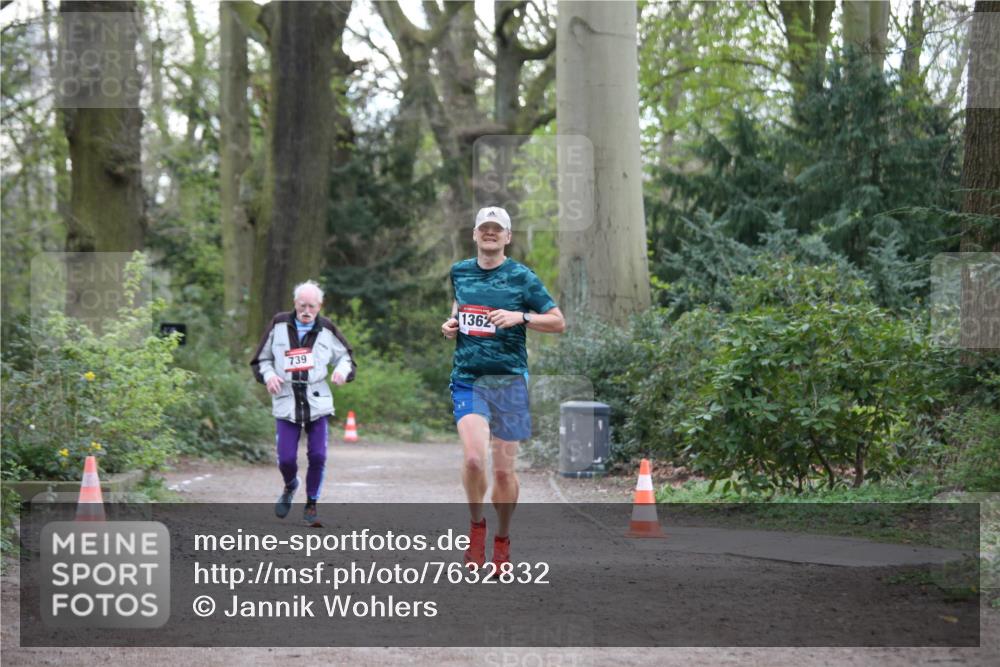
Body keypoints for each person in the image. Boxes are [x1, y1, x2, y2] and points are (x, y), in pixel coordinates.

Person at [441, 206, 565, 571]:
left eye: (498, 229)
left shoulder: (523, 278)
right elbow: (461, 305)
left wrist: (520, 317)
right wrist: (451, 324)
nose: (490, 233)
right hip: (468, 379)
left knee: (503, 473)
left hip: (509, 381)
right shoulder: (460, 271)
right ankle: (477, 528)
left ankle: (503, 537)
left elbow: (558, 322)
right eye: (485, 228)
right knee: (475, 459)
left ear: (508, 237)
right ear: (476, 234)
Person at [251, 280, 356, 527]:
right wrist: (269, 375)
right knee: (286, 459)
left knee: (318, 455)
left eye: (311, 306)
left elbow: (346, 357)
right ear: (294, 304)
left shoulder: (327, 329)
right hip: (286, 401)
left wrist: (341, 371)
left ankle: (311, 504)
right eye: (302, 306)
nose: (306, 311)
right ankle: (290, 485)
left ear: (320, 306)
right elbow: (261, 359)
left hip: (316, 401)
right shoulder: (278, 324)